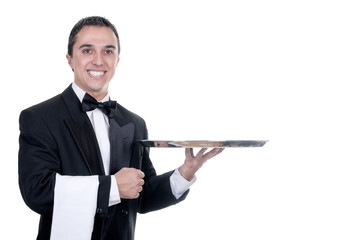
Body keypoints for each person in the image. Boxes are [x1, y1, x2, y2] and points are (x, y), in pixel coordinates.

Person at [18, 16, 223, 240]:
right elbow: (38, 192)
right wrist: (112, 186)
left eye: (108, 51)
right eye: (87, 50)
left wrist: (184, 173)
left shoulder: (134, 123)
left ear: (117, 60)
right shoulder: (39, 117)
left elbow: (142, 197)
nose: (98, 60)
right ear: (69, 59)